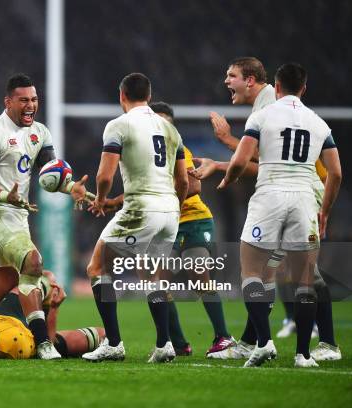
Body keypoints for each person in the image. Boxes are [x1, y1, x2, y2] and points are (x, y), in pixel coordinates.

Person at [195, 58, 341, 362]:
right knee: (279, 272)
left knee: (269, 272)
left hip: (291, 189)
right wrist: (222, 163)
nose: (226, 81)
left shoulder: (266, 107)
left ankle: (310, 342)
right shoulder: (304, 115)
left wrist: (226, 150)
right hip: (304, 191)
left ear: (253, 81)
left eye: (231, 75)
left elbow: (263, 157)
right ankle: (272, 344)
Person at [0, 73, 89, 359]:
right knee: (33, 263)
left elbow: (51, 174)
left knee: (4, 285)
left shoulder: (41, 132)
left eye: (34, 99)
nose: (30, 105)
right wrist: (3, 195)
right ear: (8, 102)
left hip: (17, 217)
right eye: (23, 100)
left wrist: (72, 188)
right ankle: (43, 343)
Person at [81, 73, 188, 363]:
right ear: (149, 97)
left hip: (142, 208)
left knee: (97, 267)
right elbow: (183, 182)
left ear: (121, 97)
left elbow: (105, 175)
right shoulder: (170, 130)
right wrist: (172, 207)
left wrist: (102, 199)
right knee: (151, 275)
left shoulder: (119, 125)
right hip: (170, 210)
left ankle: (113, 343)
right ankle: (165, 344)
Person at [150, 101, 234, 357]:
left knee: (199, 277)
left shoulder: (178, 148)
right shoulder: (143, 153)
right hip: (166, 224)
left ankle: (223, 337)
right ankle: (178, 343)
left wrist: (159, 202)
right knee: (158, 285)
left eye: (167, 122)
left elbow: (194, 187)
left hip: (193, 221)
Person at [0, 272, 105, 359]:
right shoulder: (16, 344)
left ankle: (40, 304)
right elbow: (47, 343)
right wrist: (54, 308)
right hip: (26, 330)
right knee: (103, 335)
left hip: (7, 314)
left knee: (45, 277)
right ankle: (42, 307)